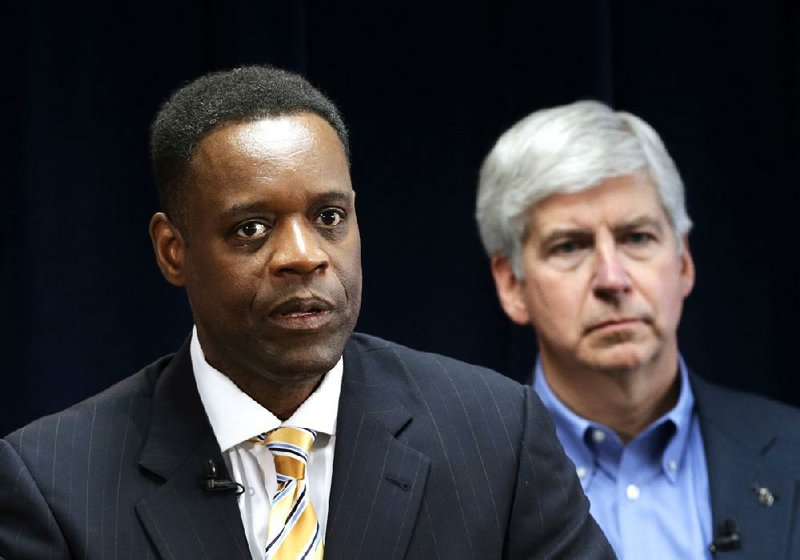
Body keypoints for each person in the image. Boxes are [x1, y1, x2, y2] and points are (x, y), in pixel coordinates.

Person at [0, 67, 614, 559]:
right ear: (173, 251)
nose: (303, 257)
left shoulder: (497, 437)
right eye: (251, 228)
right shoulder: (53, 484)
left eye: (328, 218)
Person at [476, 100, 800, 559]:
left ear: (684, 261)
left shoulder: (793, 452)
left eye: (636, 238)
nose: (612, 279)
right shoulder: (461, 483)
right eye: (570, 246)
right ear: (511, 285)